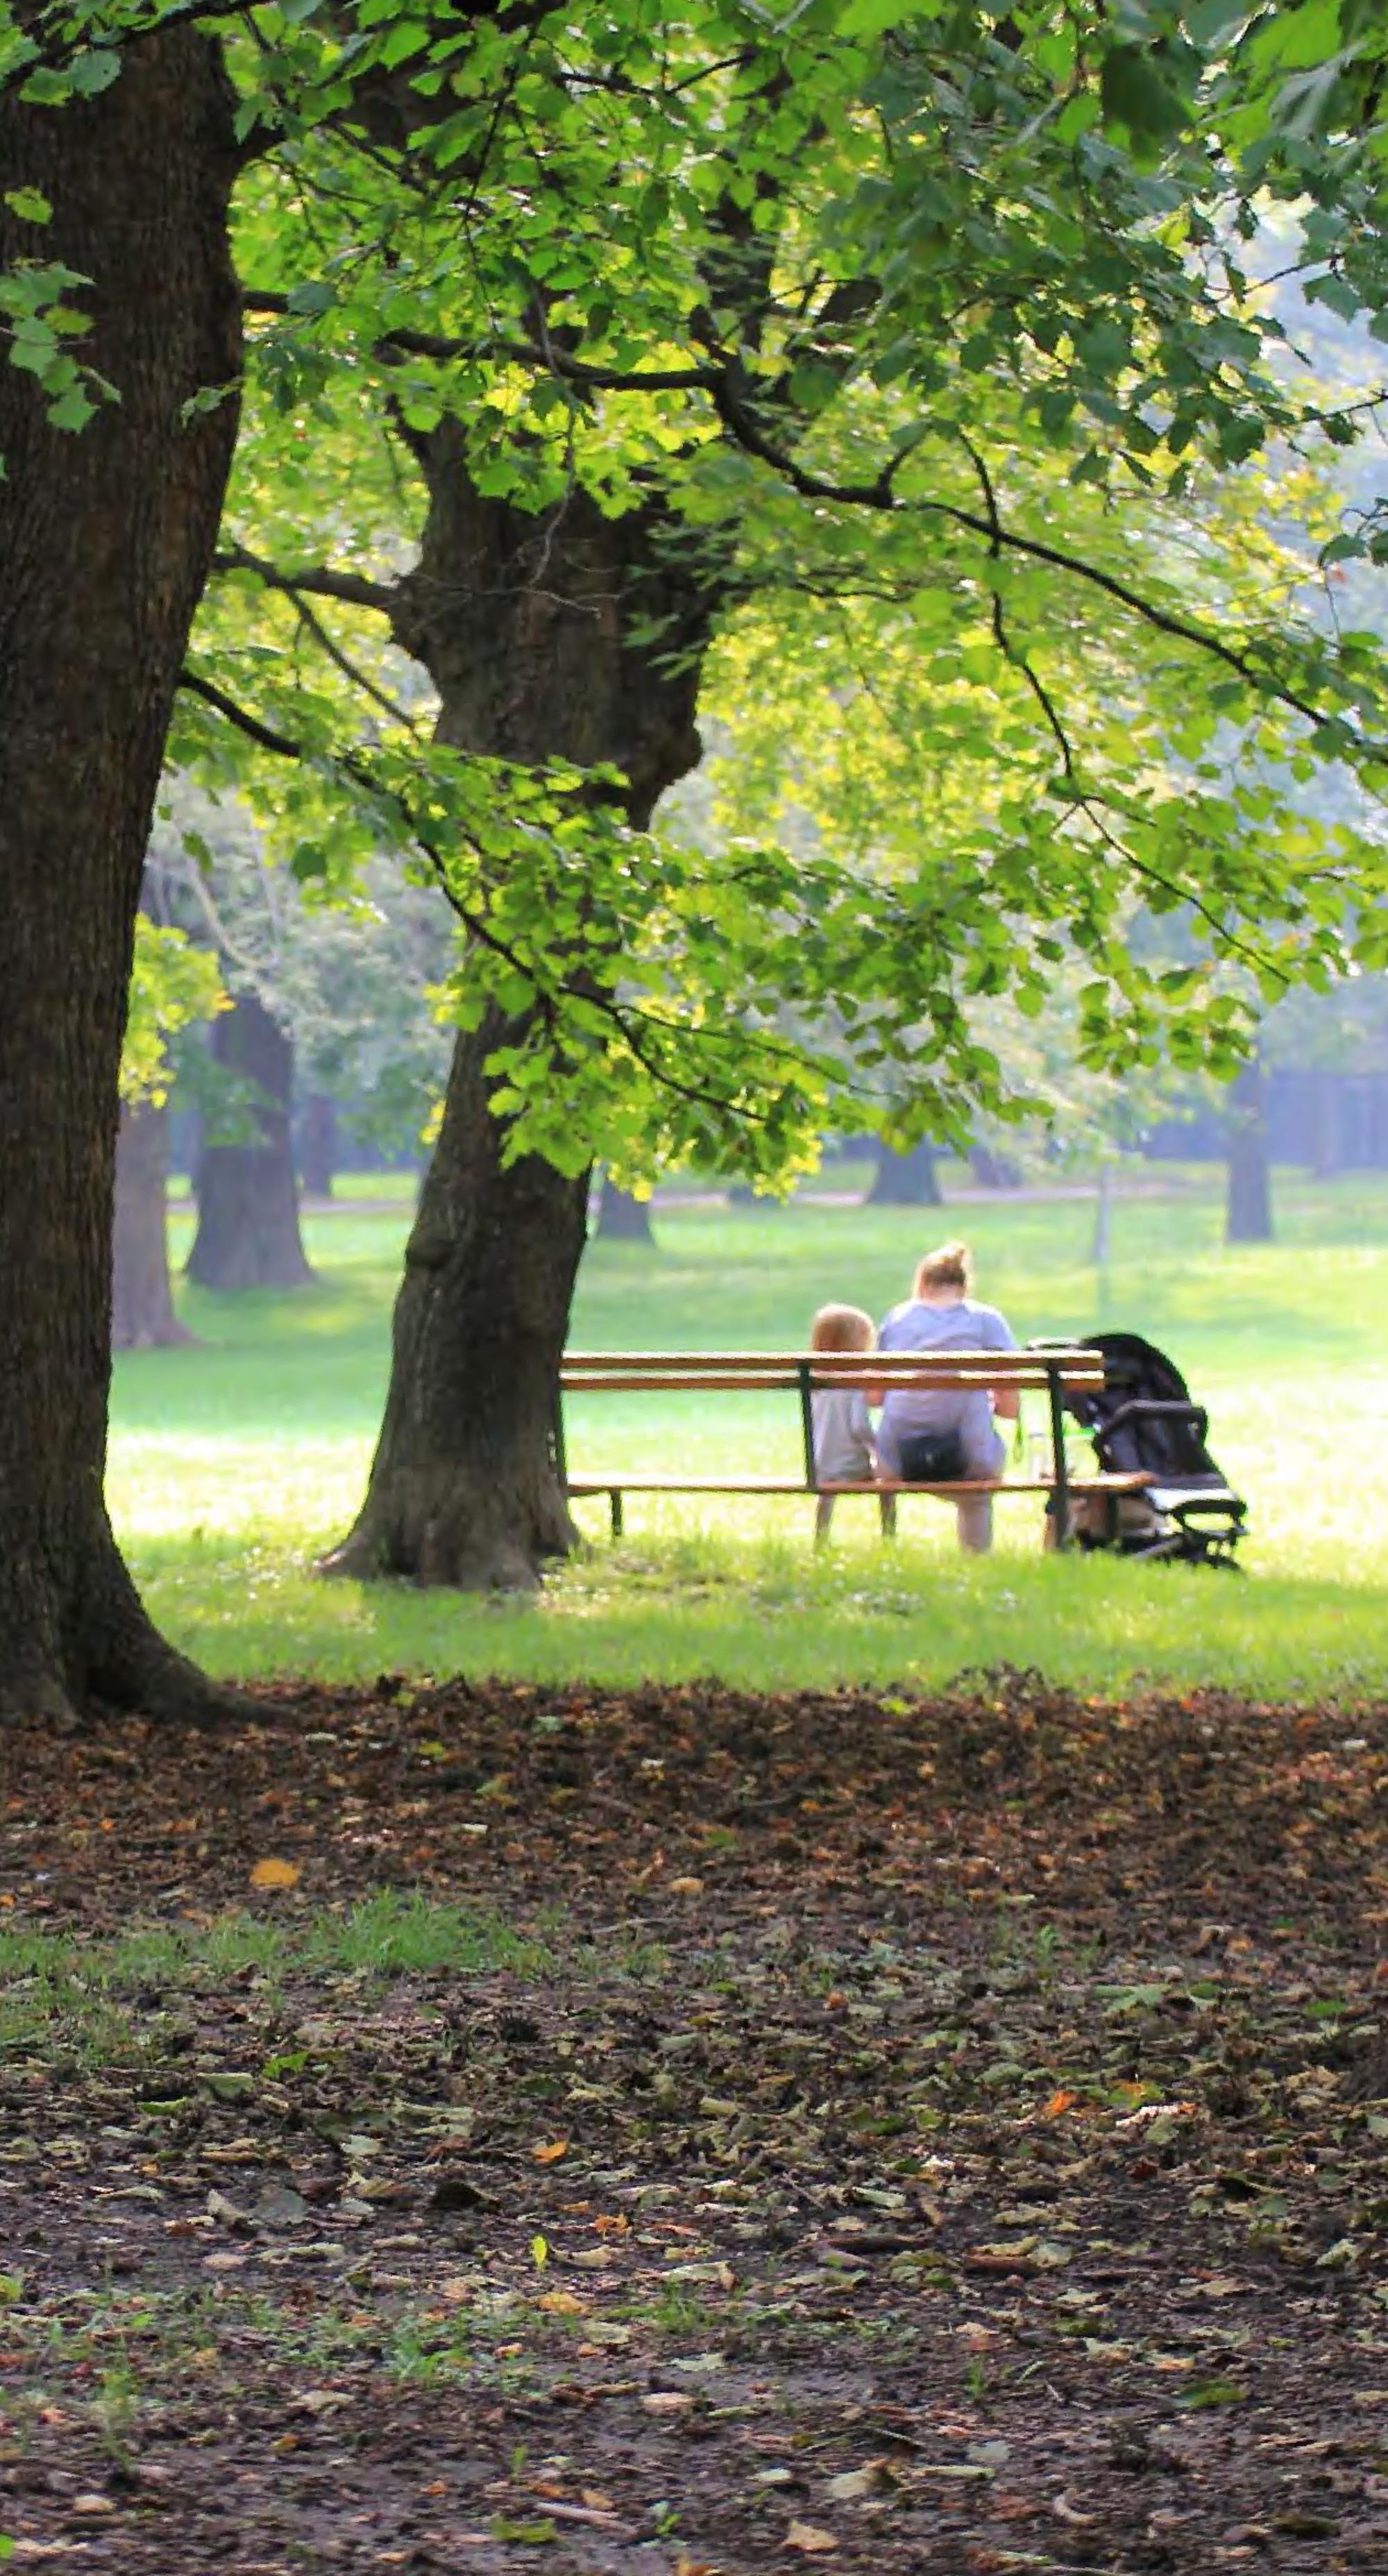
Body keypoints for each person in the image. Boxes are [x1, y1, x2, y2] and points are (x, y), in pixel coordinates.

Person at [876, 1240, 1017, 1553]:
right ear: (964, 1286)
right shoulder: (986, 1320)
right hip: (968, 1459)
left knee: (894, 1432)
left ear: (922, 1284)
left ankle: (889, 1548)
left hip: (896, 1459)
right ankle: (976, 1558)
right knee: (977, 1493)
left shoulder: (897, 1318)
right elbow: (1010, 1405)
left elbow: (874, 1397)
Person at [808, 1303, 895, 1543]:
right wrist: (878, 1446)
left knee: (827, 1496)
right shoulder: (853, 1387)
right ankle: (889, 1535)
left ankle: (820, 1537)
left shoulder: (816, 1386)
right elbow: (859, 1427)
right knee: (887, 1482)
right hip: (851, 1467)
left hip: (821, 1466)